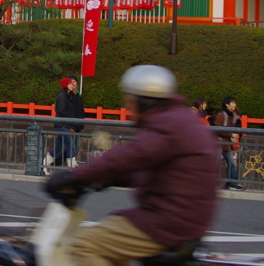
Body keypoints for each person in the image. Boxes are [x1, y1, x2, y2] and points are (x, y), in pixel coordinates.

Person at [46, 65, 219, 266]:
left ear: (145, 102)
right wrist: (115, 177)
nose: (129, 109)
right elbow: (153, 168)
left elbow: (130, 155)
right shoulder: (177, 119)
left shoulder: (168, 124)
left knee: (84, 245)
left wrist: (74, 176)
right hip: (181, 217)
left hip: (167, 220)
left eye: (131, 102)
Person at [47, 76, 85, 168]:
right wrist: (70, 121)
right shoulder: (62, 96)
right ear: (65, 85)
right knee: (71, 145)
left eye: (73, 83)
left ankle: (45, 163)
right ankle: (72, 166)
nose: (72, 85)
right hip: (62, 124)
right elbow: (61, 111)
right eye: (70, 83)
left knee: (58, 147)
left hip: (66, 124)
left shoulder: (70, 96)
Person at [213, 95, 244, 191]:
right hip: (219, 143)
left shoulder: (232, 116)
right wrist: (231, 134)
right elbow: (217, 129)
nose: (235, 105)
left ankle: (232, 183)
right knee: (214, 163)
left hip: (226, 144)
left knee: (231, 163)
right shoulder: (221, 115)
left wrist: (236, 134)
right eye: (233, 103)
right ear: (227, 104)